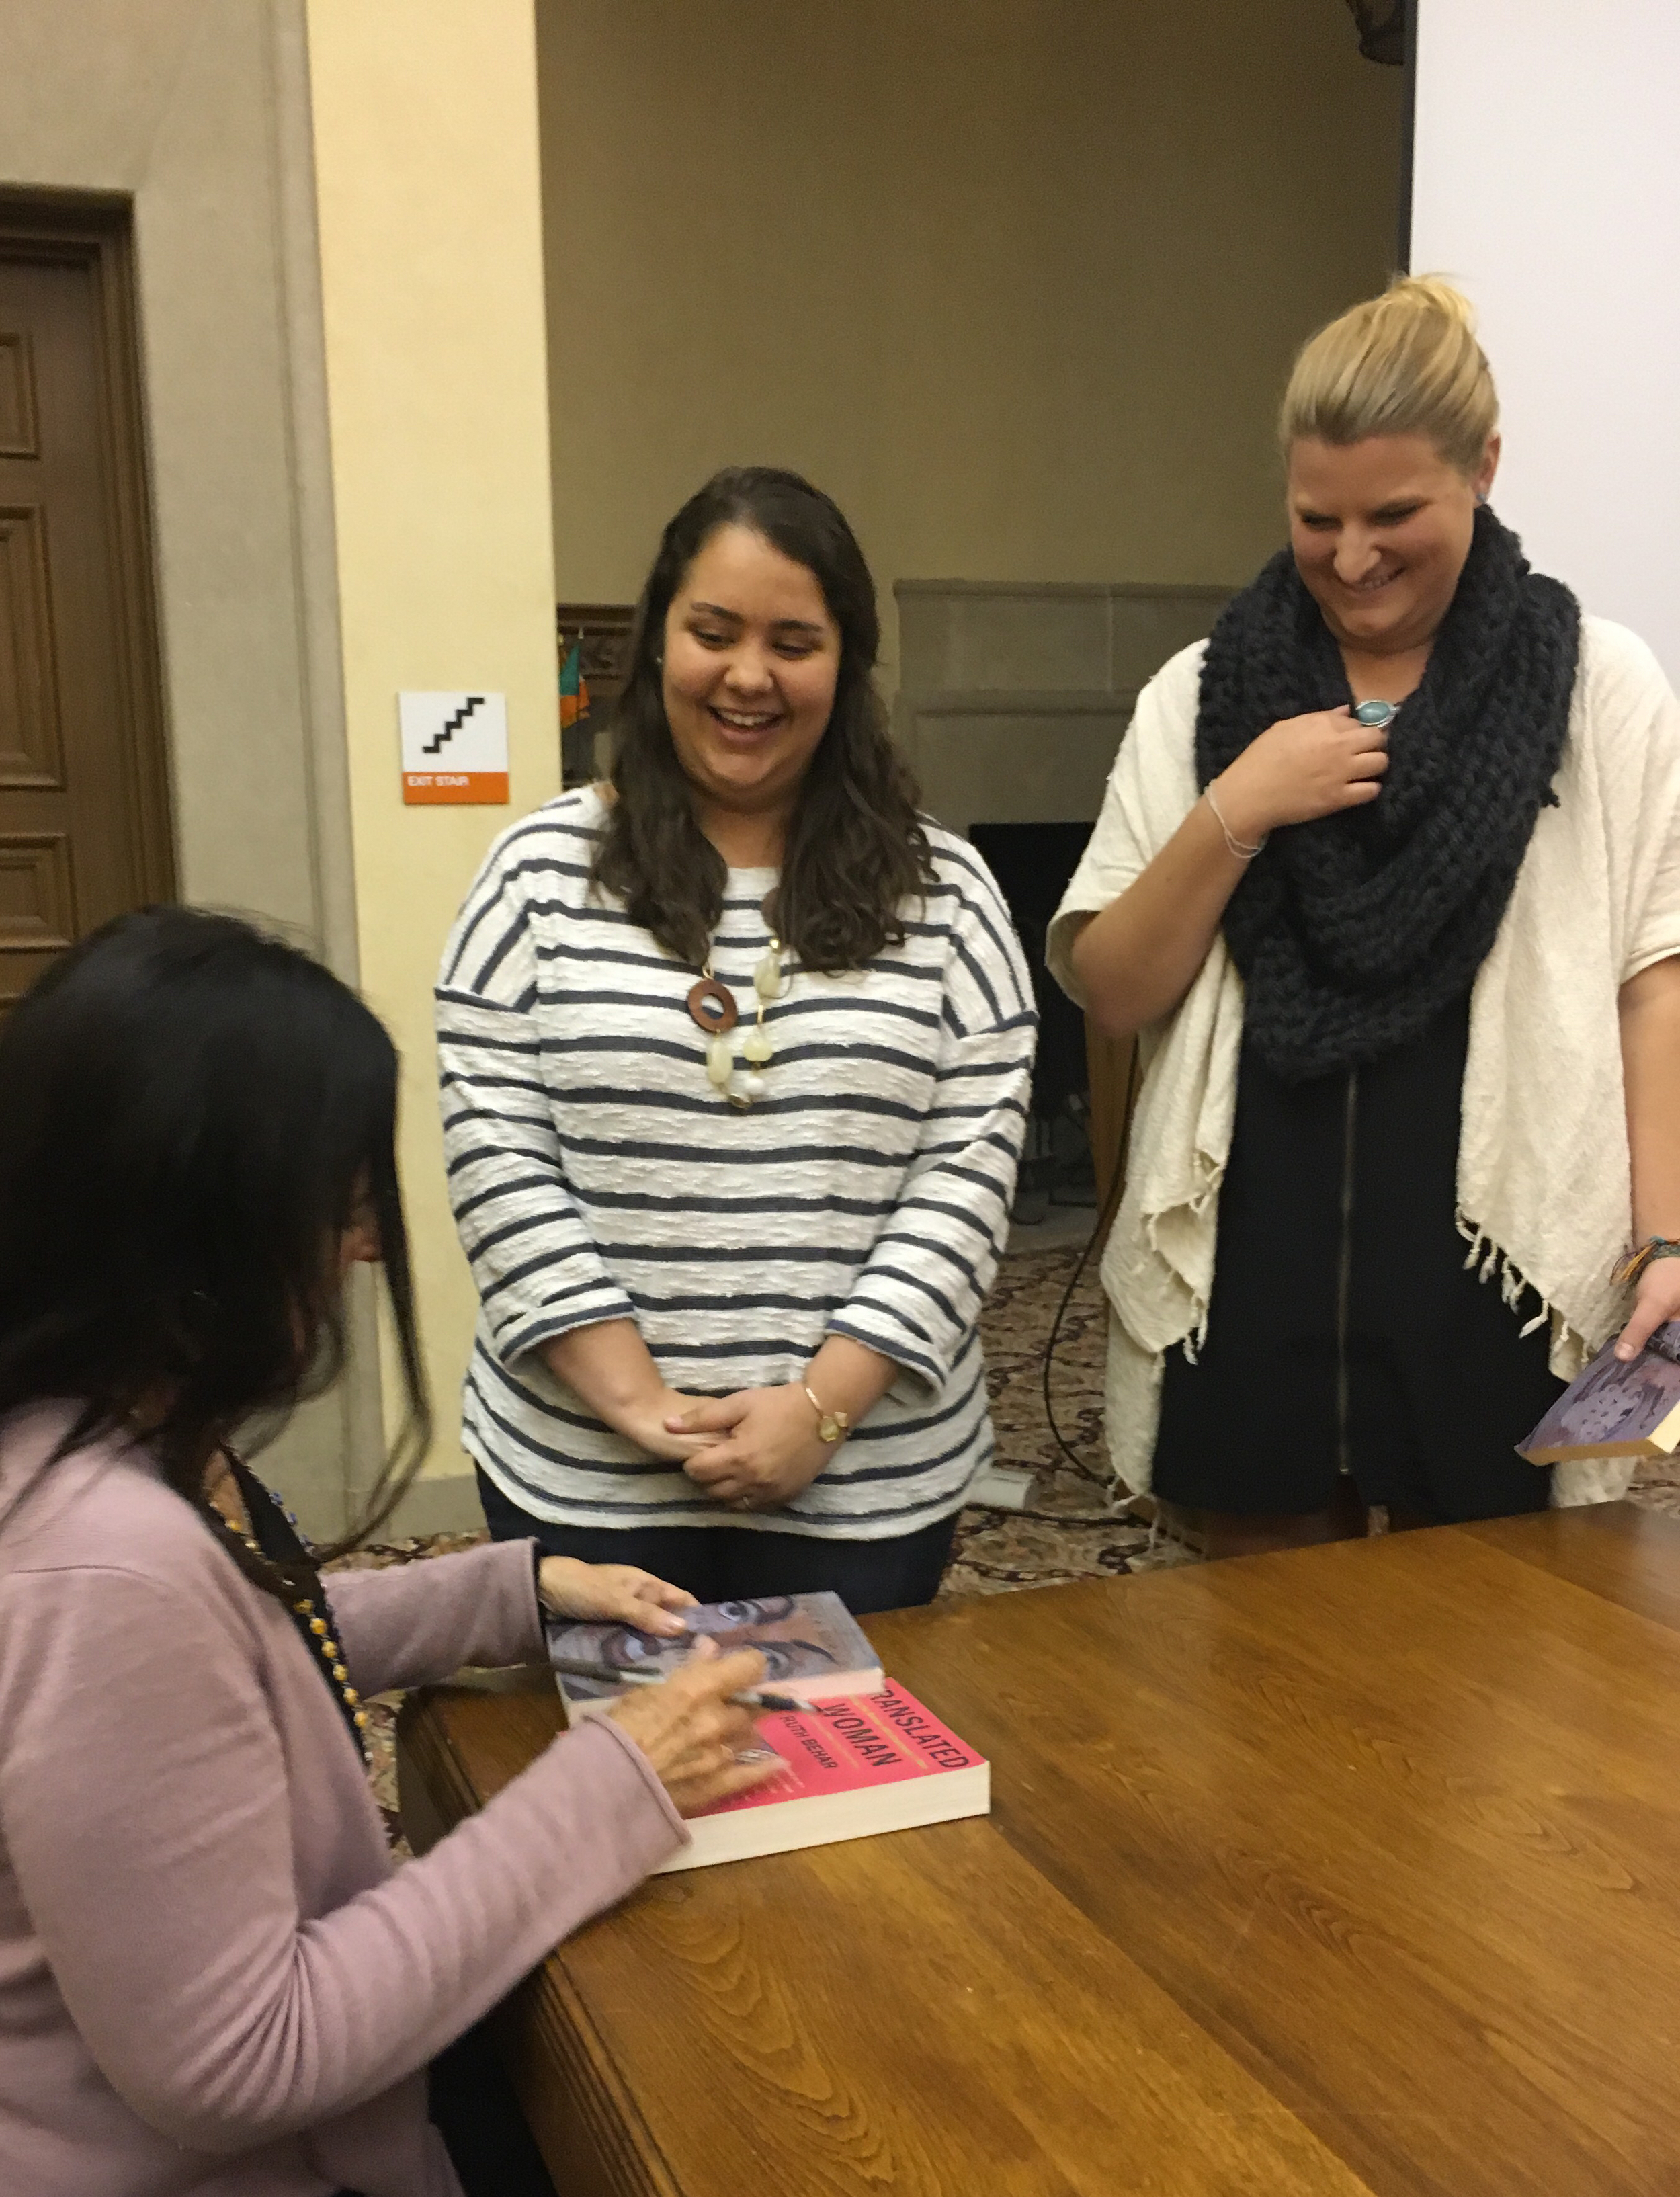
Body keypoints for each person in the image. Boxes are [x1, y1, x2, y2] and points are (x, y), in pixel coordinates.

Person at [0, 907, 778, 2197]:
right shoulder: (107, 1570)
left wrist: (510, 1589)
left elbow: (221, 1673)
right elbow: (242, 2057)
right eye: (339, 1198)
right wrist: (613, 1779)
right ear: (201, 1219)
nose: (365, 1242)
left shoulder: (82, 1435)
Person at [1048, 276, 1680, 1557]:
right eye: (1315, 517)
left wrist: (1669, 1237)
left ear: (1486, 467)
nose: (1352, 557)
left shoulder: (1599, 686)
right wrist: (1240, 804)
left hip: (1488, 1282)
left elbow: (1649, 980)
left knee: (1494, 1695)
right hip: (1251, 1277)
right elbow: (1113, 991)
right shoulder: (1201, 693)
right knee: (1256, 1690)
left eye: (1396, 513)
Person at [438, 466, 1034, 1613]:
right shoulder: (535, 874)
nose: (747, 675)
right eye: (713, 632)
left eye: (794, 641)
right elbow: (497, 1157)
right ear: (659, 639)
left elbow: (966, 1183)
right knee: (612, 1781)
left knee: (849, 1783)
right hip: (583, 1473)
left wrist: (817, 1412)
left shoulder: (949, 894)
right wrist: (638, 1407)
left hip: (867, 1480)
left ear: (847, 666)